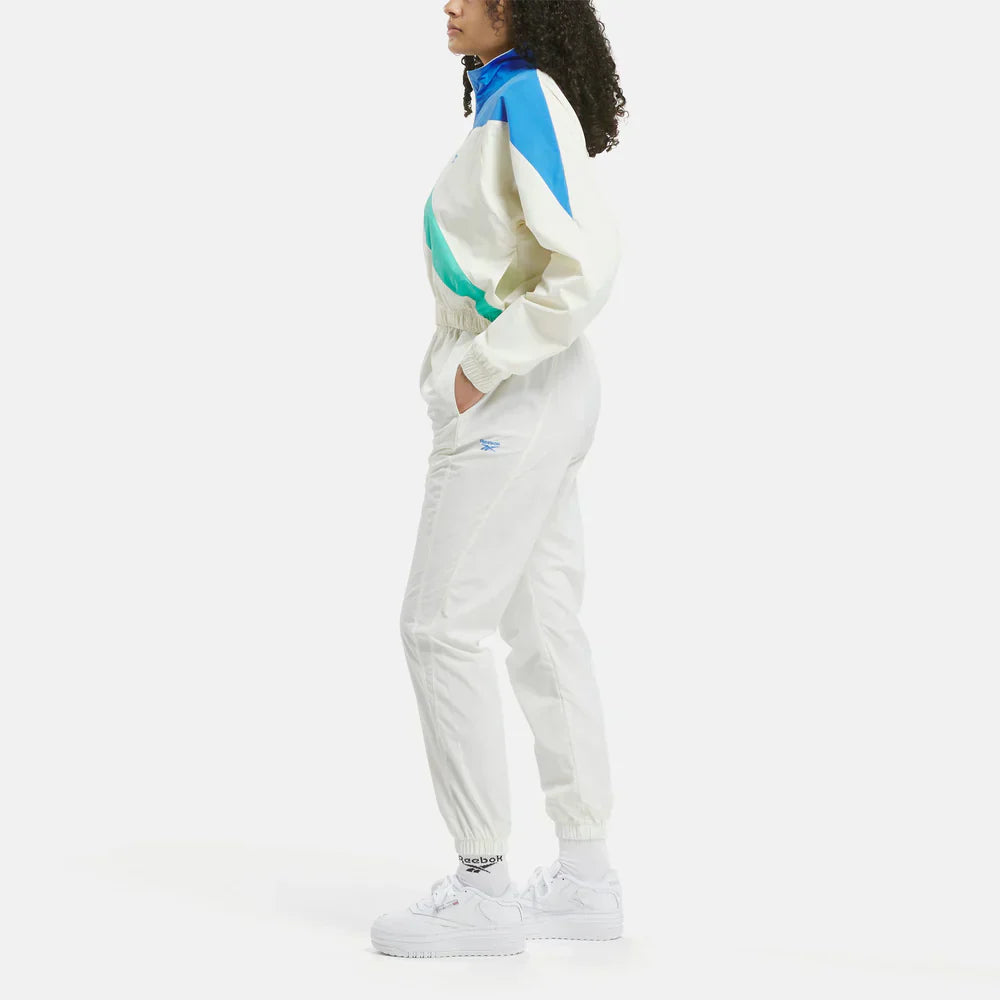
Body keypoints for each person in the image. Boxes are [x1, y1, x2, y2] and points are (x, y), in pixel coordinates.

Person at [371, 0, 627, 958]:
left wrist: (481, 366)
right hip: (536, 391)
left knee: (439, 628)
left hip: (519, 393)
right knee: (541, 627)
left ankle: (483, 889)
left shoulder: (525, 97)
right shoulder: (504, 97)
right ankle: (586, 879)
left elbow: (586, 262)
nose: (450, 4)